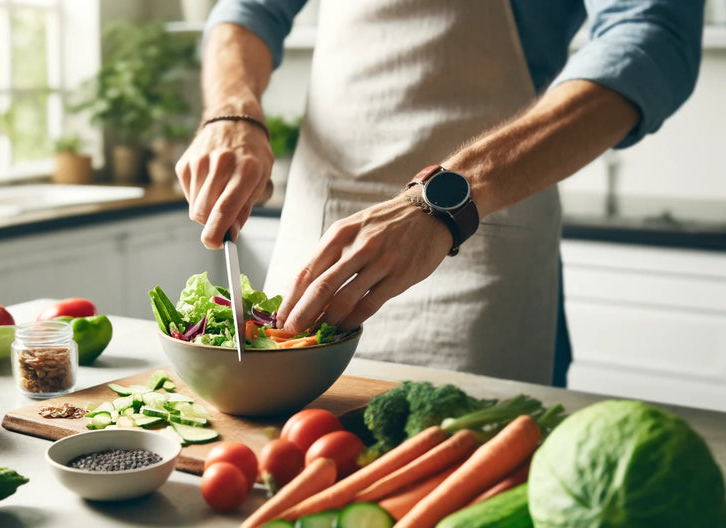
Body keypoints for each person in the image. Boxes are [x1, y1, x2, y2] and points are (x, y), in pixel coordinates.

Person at [175, 0, 704, 386]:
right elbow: (246, 10)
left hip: (480, 231)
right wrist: (231, 109)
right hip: (322, 222)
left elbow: (651, 36)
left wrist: (445, 200)